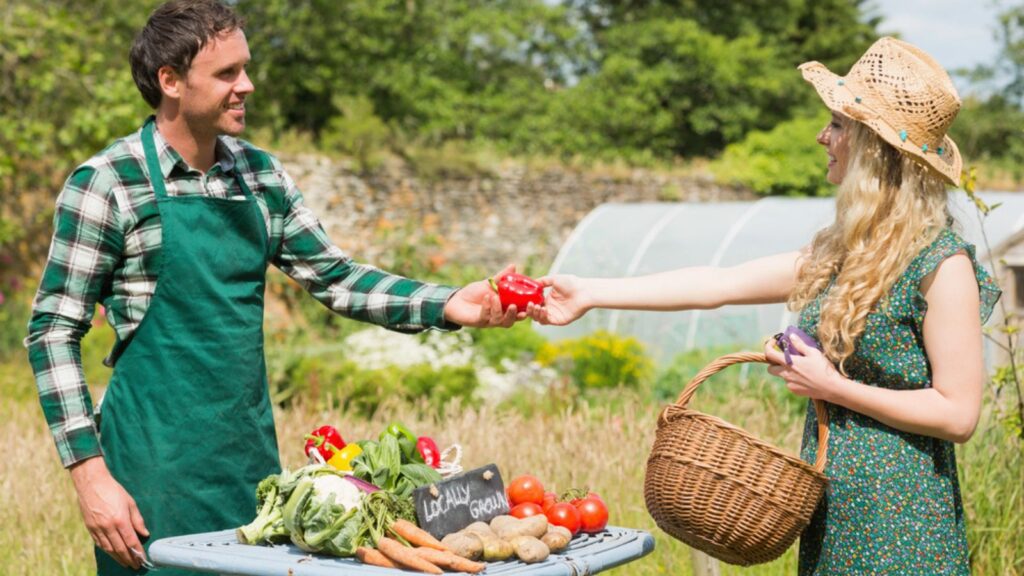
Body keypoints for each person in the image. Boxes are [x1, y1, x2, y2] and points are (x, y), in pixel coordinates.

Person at [24, 1, 525, 573]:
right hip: (149, 475)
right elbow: (52, 332)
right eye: (226, 73)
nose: (248, 85)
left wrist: (449, 303)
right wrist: (90, 476)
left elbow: (335, 277)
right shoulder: (110, 183)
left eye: (246, 68)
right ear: (170, 81)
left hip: (249, 469)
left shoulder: (260, 175)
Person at [527, 37, 1001, 574]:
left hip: (904, 524)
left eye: (838, 126)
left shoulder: (941, 264)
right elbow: (719, 282)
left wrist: (833, 385)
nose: (824, 137)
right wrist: (591, 292)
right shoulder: (844, 250)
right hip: (833, 512)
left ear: (875, 149)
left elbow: (958, 414)